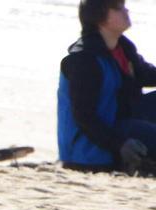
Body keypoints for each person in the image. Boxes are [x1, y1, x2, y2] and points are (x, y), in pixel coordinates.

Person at [59, 0, 156, 172]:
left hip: (120, 123)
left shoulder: (122, 48)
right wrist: (120, 144)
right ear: (100, 18)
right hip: (89, 151)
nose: (126, 10)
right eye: (118, 8)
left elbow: (147, 74)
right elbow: (84, 117)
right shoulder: (84, 59)